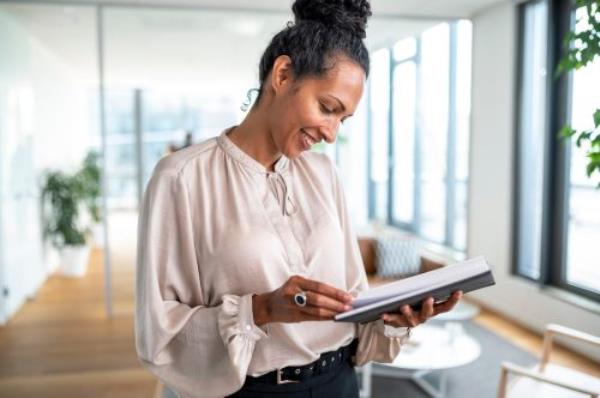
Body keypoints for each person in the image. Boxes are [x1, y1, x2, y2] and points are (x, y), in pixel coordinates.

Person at [134, 0, 463, 397]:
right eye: (327, 108)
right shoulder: (181, 178)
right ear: (283, 74)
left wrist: (393, 317)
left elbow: (352, 297)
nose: (331, 133)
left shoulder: (324, 174)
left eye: (343, 119)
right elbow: (160, 331)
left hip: (338, 381)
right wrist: (262, 309)